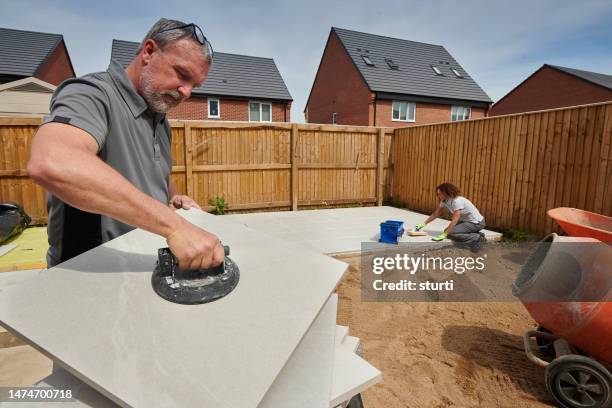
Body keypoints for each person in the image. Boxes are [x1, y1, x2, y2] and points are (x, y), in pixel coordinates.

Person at [27, 18, 225, 270]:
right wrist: (175, 227)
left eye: (194, 85)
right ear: (149, 52)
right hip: (89, 274)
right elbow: (52, 162)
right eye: (182, 74)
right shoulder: (92, 94)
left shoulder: (160, 120)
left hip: (143, 267)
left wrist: (174, 198)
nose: (186, 92)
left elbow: (156, 174)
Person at [414, 182, 486, 249]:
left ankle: (477, 238)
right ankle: (477, 234)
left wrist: (445, 234)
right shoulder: (445, 201)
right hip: (466, 222)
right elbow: (436, 213)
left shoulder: (456, 201)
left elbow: (454, 220)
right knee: (447, 231)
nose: (438, 195)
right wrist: (423, 224)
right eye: (437, 193)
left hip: (476, 223)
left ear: (446, 193)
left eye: (440, 193)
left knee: (450, 233)